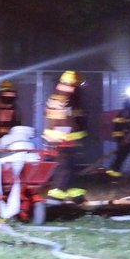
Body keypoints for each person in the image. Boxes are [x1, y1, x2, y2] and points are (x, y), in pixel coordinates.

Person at [42, 69, 88, 200]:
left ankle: (75, 194)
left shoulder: (62, 98)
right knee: (64, 168)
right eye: (77, 85)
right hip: (63, 141)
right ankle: (56, 195)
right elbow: (63, 122)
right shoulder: (63, 99)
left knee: (71, 167)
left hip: (64, 140)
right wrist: (71, 137)